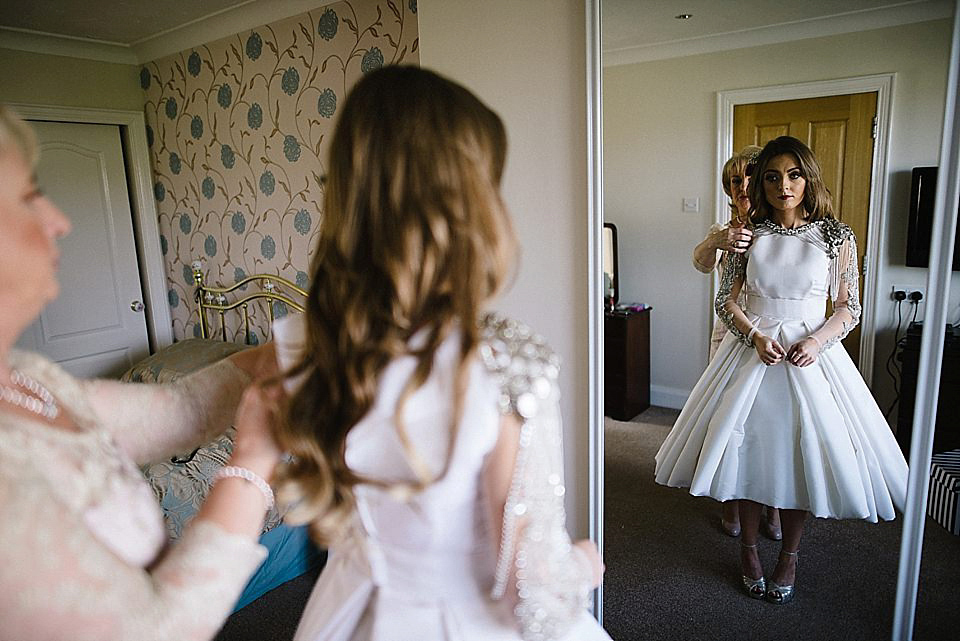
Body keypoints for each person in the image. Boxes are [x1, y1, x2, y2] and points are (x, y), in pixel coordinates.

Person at [264, 65, 609, 641]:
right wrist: (583, 564)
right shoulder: (507, 361)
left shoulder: (306, 342)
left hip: (351, 610)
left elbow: (185, 409)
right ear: (470, 208)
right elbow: (531, 588)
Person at [0, 105, 283, 640]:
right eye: (29, 195)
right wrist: (254, 456)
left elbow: (183, 408)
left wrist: (278, 354)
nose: (59, 220)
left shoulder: (32, 376)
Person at [655, 136, 908, 605]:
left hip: (810, 357)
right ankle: (749, 552)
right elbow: (725, 300)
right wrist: (753, 335)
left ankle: (789, 555)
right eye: (772, 176)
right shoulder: (748, 235)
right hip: (753, 352)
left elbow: (848, 308)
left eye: (793, 175)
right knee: (747, 455)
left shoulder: (836, 235)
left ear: (808, 178)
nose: (782, 185)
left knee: (800, 457)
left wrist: (815, 340)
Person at [692, 146, 782, 540]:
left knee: (772, 420)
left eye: (750, 176)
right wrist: (718, 242)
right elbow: (700, 262)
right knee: (727, 419)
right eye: (734, 180)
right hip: (729, 333)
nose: (742, 185)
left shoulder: (781, 226)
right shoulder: (722, 229)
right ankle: (730, 499)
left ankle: (774, 504)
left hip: (773, 336)